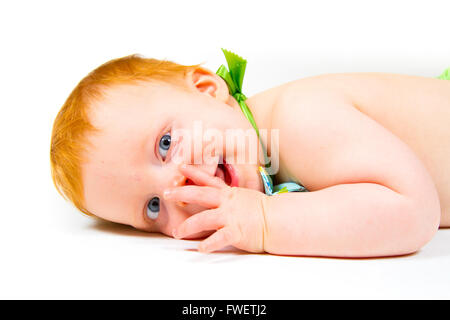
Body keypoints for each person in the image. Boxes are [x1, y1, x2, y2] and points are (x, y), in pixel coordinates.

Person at [50, 49, 450, 257]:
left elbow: (414, 212)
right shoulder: (266, 159)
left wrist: (265, 221)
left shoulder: (300, 120)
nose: (175, 187)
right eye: (153, 207)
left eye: (165, 144)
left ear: (208, 90)